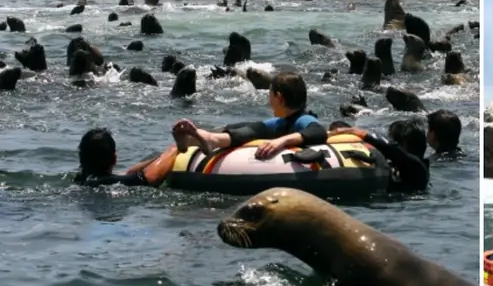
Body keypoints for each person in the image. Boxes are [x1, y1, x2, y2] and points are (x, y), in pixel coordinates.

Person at [172, 72, 327, 159]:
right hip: (278, 126)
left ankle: (209, 139)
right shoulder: (282, 122)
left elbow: (318, 132)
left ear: (279, 98)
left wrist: (282, 141)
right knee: (250, 128)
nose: (269, 99)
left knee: (257, 129)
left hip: (292, 143)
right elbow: (250, 129)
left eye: (270, 94)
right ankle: (201, 138)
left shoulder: (304, 119)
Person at [332, 119, 430, 193]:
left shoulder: (417, 168)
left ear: (403, 144)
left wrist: (360, 133)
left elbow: (391, 149)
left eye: (392, 139)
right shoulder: (405, 167)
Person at [74, 128, 177, 187]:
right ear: (115, 159)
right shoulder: (108, 182)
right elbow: (150, 177)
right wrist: (176, 150)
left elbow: (129, 173)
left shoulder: (81, 180)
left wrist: (161, 156)